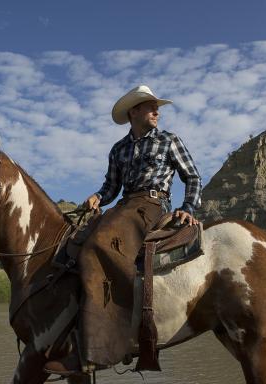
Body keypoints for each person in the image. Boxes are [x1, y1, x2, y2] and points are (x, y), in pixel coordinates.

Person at [79, 85, 202, 370]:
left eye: (156, 107)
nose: (157, 111)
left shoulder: (169, 140)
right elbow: (111, 187)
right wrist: (98, 197)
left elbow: (192, 176)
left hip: (152, 204)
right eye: (150, 106)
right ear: (134, 111)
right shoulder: (118, 149)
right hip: (124, 205)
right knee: (80, 239)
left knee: (99, 244)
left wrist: (188, 208)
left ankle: (116, 329)